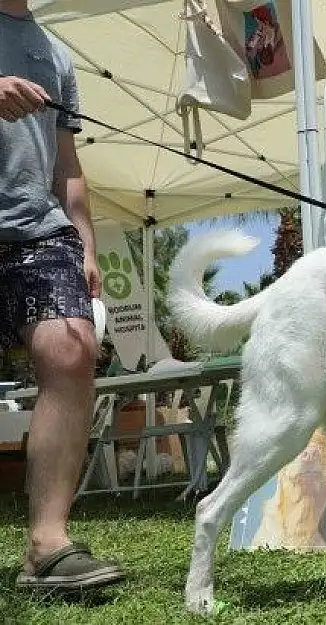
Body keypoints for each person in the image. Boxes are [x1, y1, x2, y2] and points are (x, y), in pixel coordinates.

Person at [1, 1, 126, 590]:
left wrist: (87, 246)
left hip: (40, 231)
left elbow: (68, 166)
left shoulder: (55, 53)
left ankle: (47, 547)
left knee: (72, 353)